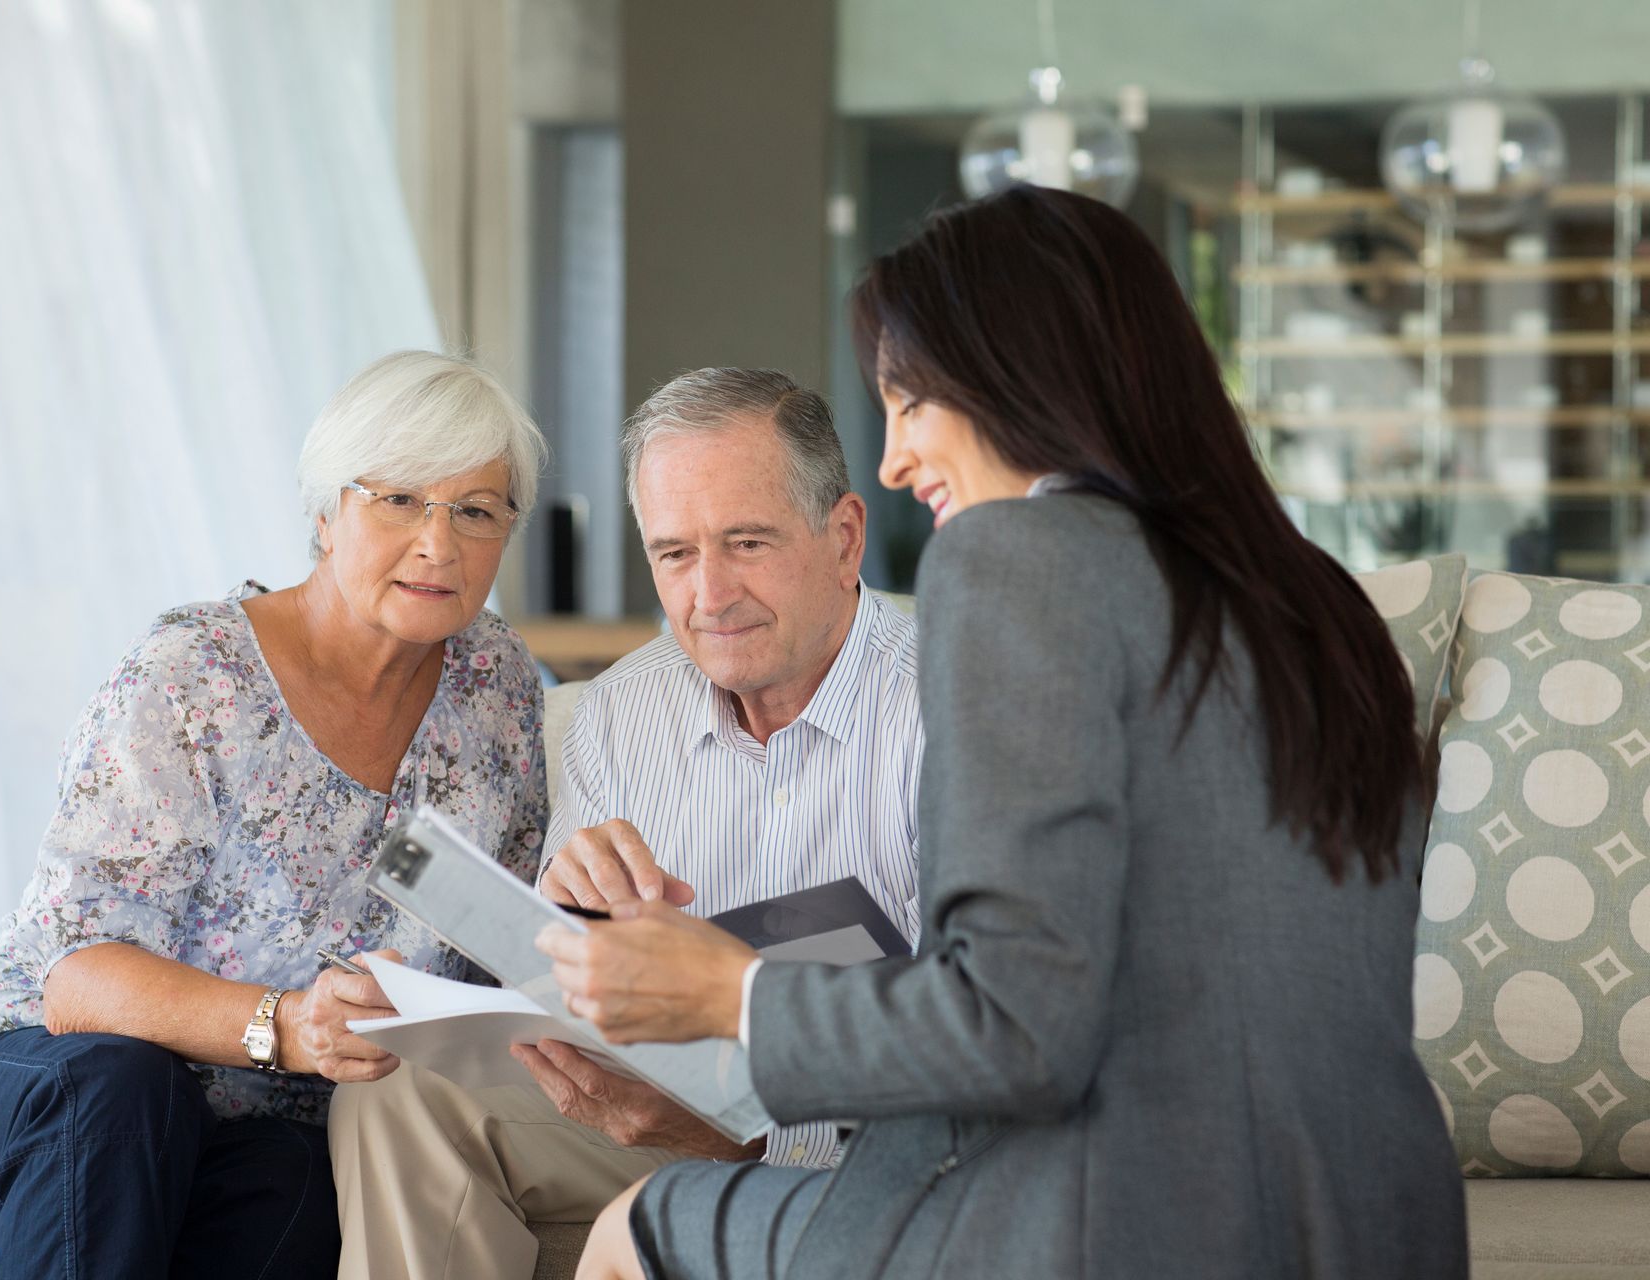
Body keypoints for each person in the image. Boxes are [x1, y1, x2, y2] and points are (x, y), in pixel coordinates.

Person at [544, 186, 1470, 1279]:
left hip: (1119, 1225)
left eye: (909, 401)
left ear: (1012, 376)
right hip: (1375, 1225)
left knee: (631, 1228)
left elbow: (1018, 1024)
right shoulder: (1314, 599)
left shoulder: (1019, 560)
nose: (891, 459)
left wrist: (722, 991)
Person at [0, 350, 551, 1279]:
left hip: (248, 1126)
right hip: (28, 1075)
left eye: (475, 511)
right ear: (324, 514)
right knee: (123, 1090)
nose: (439, 543)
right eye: (397, 499)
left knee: (302, 1185)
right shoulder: (192, 676)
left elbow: (503, 948)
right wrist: (288, 1025)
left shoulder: (501, 693)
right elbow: (78, 980)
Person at [327, 367, 923, 1280]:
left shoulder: (955, 710)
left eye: (748, 543)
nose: (709, 595)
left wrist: (756, 1142)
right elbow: (575, 988)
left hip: (886, 1144)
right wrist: (569, 931)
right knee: (397, 1090)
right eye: (675, 554)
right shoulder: (616, 713)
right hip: (665, 1106)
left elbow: (985, 1043)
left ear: (844, 537)